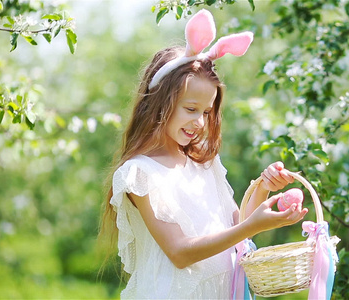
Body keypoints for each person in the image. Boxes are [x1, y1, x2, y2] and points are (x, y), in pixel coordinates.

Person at [100, 9, 308, 299]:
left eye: (207, 112)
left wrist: (263, 187)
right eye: (190, 109)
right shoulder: (140, 173)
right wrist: (252, 225)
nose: (199, 122)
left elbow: (235, 227)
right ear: (159, 102)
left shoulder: (203, 163)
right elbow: (180, 252)